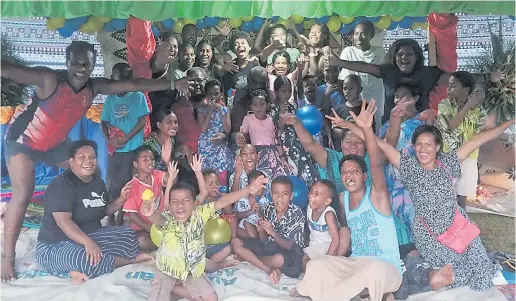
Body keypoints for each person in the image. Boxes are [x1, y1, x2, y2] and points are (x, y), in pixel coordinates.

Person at [1, 40, 189, 281]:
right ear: (67, 63)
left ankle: (87, 227)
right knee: (23, 194)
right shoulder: (48, 80)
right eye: (75, 64)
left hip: (55, 144)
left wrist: (172, 83)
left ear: (93, 65)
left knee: (92, 172)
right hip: (23, 141)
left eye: (86, 64)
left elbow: (133, 84)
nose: (80, 69)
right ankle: (6, 259)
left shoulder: (94, 86)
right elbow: (7, 68)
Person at [353, 100, 515, 291]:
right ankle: (446, 276)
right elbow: (379, 143)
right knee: (477, 269)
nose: (423, 149)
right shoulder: (409, 167)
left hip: (459, 227)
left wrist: (511, 121)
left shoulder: (448, 162)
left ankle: (448, 276)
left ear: (437, 147)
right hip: (431, 236)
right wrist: (355, 126)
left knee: (483, 274)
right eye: (419, 145)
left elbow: (477, 140)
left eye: (428, 144)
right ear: (413, 146)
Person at [294, 102, 403, 301]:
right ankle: (368, 294)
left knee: (373, 271)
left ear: (365, 176)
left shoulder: (378, 196)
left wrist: (367, 130)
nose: (349, 175)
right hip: (355, 264)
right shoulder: (343, 199)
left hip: (384, 268)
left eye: (354, 171)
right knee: (317, 265)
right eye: (345, 172)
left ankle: (335, 293)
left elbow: (377, 162)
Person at [142, 161, 268, 301]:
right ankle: (178, 290)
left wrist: (249, 189)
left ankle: (177, 290)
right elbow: (157, 218)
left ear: (195, 203)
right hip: (167, 270)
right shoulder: (168, 218)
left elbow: (223, 201)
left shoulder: (200, 213)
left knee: (212, 299)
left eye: (186, 201)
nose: (180, 206)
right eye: (175, 202)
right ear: (170, 206)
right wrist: (149, 213)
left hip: (191, 269)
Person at [35, 140, 153, 284]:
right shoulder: (61, 185)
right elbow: (63, 222)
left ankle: (81, 267)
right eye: (82, 157)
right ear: (71, 161)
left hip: (89, 235)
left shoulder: (97, 182)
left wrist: (121, 199)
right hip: (55, 244)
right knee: (80, 257)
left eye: (92, 157)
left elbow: (102, 211)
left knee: (127, 235)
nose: (88, 161)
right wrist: (88, 242)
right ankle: (129, 260)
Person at [329, 38, 503, 124]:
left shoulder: (427, 73)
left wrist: (488, 77)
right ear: (394, 57)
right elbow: (364, 66)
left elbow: (456, 79)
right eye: (400, 54)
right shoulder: (389, 71)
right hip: (391, 126)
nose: (404, 57)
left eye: (409, 54)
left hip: (420, 127)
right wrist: (339, 62)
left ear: (416, 57)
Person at [100, 63, 150, 225]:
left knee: (130, 183)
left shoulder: (138, 96)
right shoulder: (110, 98)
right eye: (118, 80)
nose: (121, 84)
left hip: (133, 148)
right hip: (116, 150)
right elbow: (103, 122)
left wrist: (127, 137)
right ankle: (110, 215)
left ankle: (122, 215)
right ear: (113, 79)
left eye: (125, 80)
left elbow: (142, 121)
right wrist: (109, 140)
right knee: (114, 183)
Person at [231, 176, 306, 283]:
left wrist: (273, 233)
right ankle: (267, 268)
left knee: (278, 260)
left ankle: (249, 258)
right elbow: (264, 240)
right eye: (276, 193)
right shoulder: (268, 208)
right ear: (271, 194)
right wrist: (261, 231)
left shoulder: (297, 214)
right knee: (236, 242)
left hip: (289, 252)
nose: (279, 198)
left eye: (285, 194)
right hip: (270, 247)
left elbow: (289, 245)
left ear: (291, 196)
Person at [280, 112, 371, 196]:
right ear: (341, 144)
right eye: (348, 142)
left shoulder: (373, 158)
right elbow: (310, 145)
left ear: (366, 144)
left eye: (359, 143)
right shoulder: (332, 158)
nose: (353, 147)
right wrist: (297, 123)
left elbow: (383, 144)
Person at [437, 71, 487, 209]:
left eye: (452, 86)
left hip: (470, 156)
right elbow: (451, 125)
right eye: (448, 85)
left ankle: (462, 222)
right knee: (446, 192)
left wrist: (472, 106)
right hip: (448, 155)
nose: (448, 89)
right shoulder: (444, 105)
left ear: (465, 89)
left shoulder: (479, 110)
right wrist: (467, 107)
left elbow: (482, 131)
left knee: (462, 195)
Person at [121, 146, 176, 251]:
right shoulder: (132, 186)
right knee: (141, 240)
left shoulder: (156, 175)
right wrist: (152, 230)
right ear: (136, 164)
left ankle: (164, 243)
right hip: (144, 227)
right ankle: (164, 245)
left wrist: (168, 161)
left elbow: (172, 179)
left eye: (152, 159)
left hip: (160, 221)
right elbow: (133, 216)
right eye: (145, 159)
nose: (150, 162)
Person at [269, 76, 318, 188]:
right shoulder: (271, 109)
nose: (287, 94)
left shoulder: (292, 107)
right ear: (276, 92)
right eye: (283, 91)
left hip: (295, 145)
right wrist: (281, 114)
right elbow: (275, 131)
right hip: (280, 148)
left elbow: (298, 127)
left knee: (306, 172)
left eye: (289, 91)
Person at [339, 20, 386, 132]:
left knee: (374, 131)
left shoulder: (379, 52)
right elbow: (343, 81)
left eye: (363, 33)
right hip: (355, 105)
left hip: (376, 102)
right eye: (356, 33)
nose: (358, 37)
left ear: (372, 35)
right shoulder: (348, 52)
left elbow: (384, 74)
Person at [238, 88, 287, 179]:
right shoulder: (248, 118)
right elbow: (242, 135)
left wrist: (282, 157)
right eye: (255, 105)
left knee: (279, 176)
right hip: (256, 154)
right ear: (251, 107)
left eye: (262, 104)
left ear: (267, 105)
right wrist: (240, 137)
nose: (259, 108)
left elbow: (276, 138)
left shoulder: (271, 119)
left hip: (272, 152)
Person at [197, 79, 234, 186]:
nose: (213, 97)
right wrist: (209, 112)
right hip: (206, 148)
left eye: (216, 94)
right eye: (210, 94)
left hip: (220, 148)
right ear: (206, 94)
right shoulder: (201, 110)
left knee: (221, 179)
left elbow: (227, 129)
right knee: (207, 178)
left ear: (221, 94)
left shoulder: (225, 110)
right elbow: (203, 129)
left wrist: (220, 113)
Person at [302, 180, 345, 269]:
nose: (311, 196)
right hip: (315, 245)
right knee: (303, 263)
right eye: (311, 191)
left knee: (315, 266)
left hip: (327, 246)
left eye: (316, 194)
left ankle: (326, 266)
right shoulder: (309, 208)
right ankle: (322, 268)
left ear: (327, 201)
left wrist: (327, 258)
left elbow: (335, 239)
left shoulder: (328, 214)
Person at [222, 31, 261, 104]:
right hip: (237, 108)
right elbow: (229, 92)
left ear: (249, 47)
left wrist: (259, 68)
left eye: (243, 43)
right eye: (236, 44)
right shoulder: (230, 67)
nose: (240, 46)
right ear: (233, 50)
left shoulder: (256, 63)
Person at [234, 170, 268, 238]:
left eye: (260, 187)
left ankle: (255, 240)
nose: (257, 189)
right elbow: (238, 215)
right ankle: (254, 239)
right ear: (249, 186)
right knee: (240, 227)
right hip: (244, 225)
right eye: (255, 186)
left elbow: (266, 216)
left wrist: (260, 212)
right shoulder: (243, 199)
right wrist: (250, 211)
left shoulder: (264, 200)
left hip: (258, 225)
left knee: (260, 228)